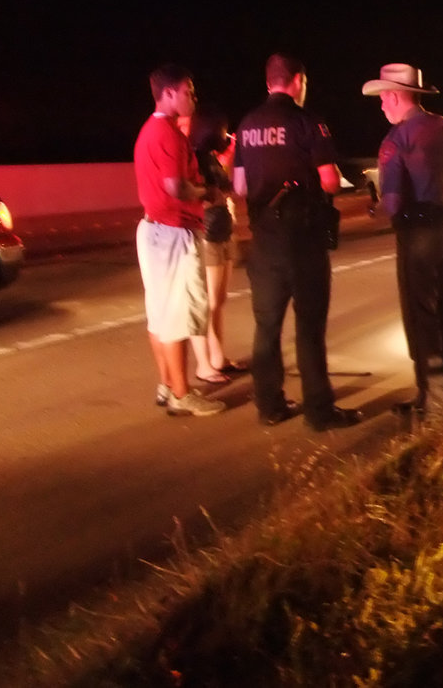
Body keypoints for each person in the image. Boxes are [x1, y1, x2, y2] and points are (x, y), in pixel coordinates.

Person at [232, 53, 362, 430]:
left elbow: (240, 186)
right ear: (297, 80)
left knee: (267, 326)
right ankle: (319, 411)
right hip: (302, 239)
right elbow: (330, 181)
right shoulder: (308, 122)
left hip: (264, 241)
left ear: (269, 81)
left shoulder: (247, 124)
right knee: (309, 328)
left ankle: (270, 406)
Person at [362, 63, 443, 418]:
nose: (380, 106)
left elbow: (392, 203)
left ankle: (432, 399)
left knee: (422, 315)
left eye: (381, 99)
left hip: (418, 233)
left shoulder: (396, 140)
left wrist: (376, 206)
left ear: (393, 96)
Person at [133, 63, 225, 417]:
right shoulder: (168, 134)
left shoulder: (149, 131)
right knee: (178, 316)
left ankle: (167, 384)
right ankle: (183, 394)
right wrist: (208, 193)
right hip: (172, 231)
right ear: (169, 93)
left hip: (154, 229)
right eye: (188, 90)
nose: (193, 97)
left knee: (159, 315)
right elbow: (177, 187)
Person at [189, 107, 247, 379]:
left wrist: (229, 158)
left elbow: (226, 188)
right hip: (209, 234)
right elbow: (199, 194)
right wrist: (213, 195)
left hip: (223, 231)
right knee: (209, 301)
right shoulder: (195, 158)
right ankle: (206, 364)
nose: (227, 133)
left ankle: (218, 356)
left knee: (219, 301)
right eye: (223, 129)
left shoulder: (211, 157)